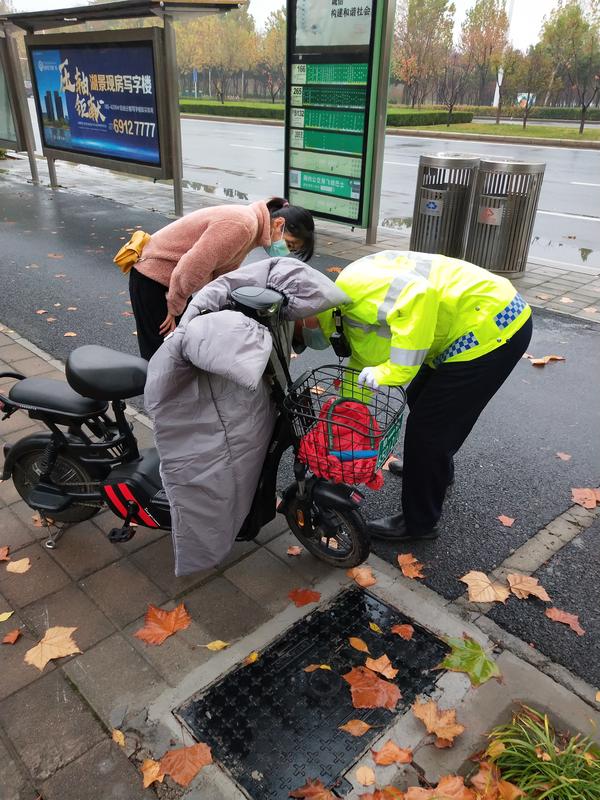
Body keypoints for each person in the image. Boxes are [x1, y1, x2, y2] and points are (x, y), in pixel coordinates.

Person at [312, 250, 533, 542]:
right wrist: (345, 416)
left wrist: (395, 371)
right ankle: (435, 471)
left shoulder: (360, 297)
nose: (306, 341)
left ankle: (419, 523)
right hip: (471, 317)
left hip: (490, 327)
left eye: (301, 333)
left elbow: (419, 292)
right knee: (421, 400)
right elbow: (363, 359)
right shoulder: (342, 303)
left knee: (428, 430)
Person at [129, 198, 315, 360]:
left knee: (178, 351)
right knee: (160, 355)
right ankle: (154, 399)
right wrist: (175, 306)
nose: (286, 251)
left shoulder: (252, 228)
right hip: (154, 279)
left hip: (171, 282)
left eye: (291, 249)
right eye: (289, 244)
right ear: (279, 224)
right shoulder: (243, 225)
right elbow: (193, 265)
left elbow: (223, 275)